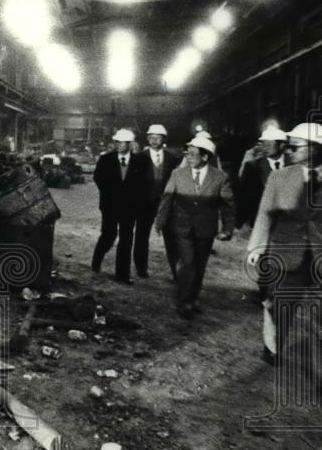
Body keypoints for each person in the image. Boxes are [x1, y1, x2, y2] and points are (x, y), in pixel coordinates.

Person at [246, 123, 322, 403]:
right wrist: (257, 247)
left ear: (315, 149)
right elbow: (265, 214)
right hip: (287, 255)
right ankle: (272, 345)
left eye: (295, 146)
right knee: (279, 307)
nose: (288, 150)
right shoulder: (279, 178)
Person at [156, 135, 234, 318]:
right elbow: (167, 198)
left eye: (192, 154)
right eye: (187, 153)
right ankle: (184, 302)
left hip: (205, 228)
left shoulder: (220, 177)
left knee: (200, 265)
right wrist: (160, 220)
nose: (188, 157)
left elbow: (227, 204)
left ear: (205, 157)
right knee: (187, 263)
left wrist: (227, 228)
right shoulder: (178, 174)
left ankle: (194, 297)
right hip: (181, 226)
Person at [91, 128, 144, 284]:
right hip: (110, 206)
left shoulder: (139, 161)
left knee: (126, 239)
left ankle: (122, 275)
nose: (120, 145)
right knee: (108, 235)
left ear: (130, 144)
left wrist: (135, 202)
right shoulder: (106, 159)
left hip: (129, 208)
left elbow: (142, 185)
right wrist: (110, 193)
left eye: (124, 143)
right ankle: (96, 260)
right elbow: (97, 178)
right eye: (118, 142)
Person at [133, 123, 182, 279]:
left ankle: (177, 271)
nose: (154, 141)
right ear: (147, 139)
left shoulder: (172, 158)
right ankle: (141, 268)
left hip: (166, 204)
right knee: (142, 236)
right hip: (144, 203)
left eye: (158, 138)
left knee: (171, 237)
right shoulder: (139, 158)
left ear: (163, 139)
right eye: (151, 138)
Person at [237, 125, 287, 230]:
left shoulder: (294, 165)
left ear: (282, 145)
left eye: (269, 144)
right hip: (261, 221)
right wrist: (239, 220)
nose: (265, 148)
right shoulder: (252, 166)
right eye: (264, 144)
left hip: (289, 222)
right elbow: (244, 195)